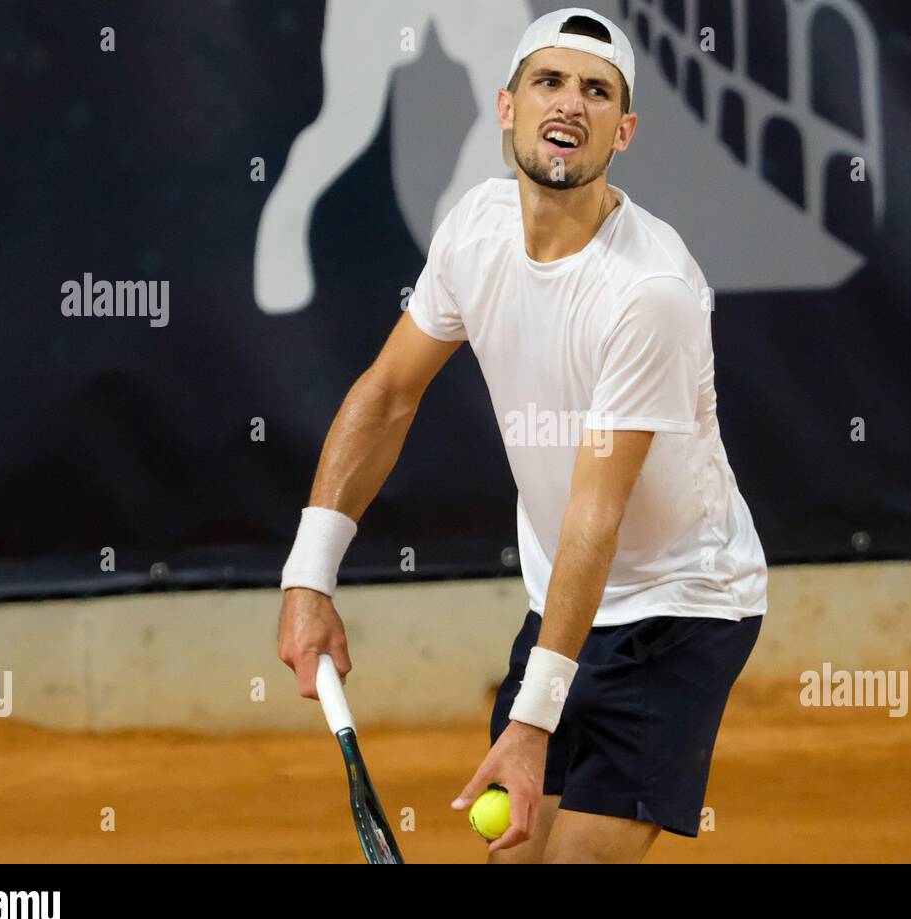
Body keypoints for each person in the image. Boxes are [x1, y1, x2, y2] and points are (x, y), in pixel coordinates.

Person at [277, 7, 767, 864]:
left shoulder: (648, 290)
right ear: (505, 107)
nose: (569, 105)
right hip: (565, 601)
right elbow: (388, 395)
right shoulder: (474, 229)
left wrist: (536, 718)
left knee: (569, 860)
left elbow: (595, 514)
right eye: (548, 81)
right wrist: (308, 578)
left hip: (678, 606)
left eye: (596, 90)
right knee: (514, 856)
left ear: (626, 128)